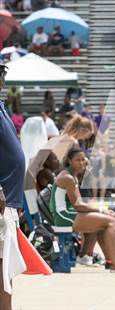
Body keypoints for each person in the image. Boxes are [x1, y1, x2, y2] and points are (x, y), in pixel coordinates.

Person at [49, 147, 115, 271]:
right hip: (63, 216)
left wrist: (100, 208)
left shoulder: (73, 175)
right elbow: (78, 205)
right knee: (109, 221)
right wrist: (100, 210)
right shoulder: (68, 178)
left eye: (83, 159)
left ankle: (111, 259)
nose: (82, 163)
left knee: (113, 217)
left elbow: (79, 203)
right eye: (78, 160)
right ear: (70, 161)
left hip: (69, 212)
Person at [0, 64, 26, 309]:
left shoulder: (1, 106)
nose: (3, 77)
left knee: (5, 268)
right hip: (1, 199)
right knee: (2, 269)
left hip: (8, 200)